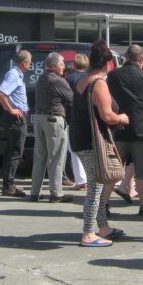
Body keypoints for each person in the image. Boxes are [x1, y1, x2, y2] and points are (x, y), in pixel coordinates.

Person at [70, 40, 129, 247]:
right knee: (95, 187)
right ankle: (88, 233)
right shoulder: (99, 83)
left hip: (79, 137)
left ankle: (103, 228)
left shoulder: (81, 80)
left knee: (98, 184)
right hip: (92, 140)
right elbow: (107, 115)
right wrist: (121, 118)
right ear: (107, 63)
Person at [107, 44, 143, 216]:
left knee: (114, 169)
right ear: (140, 59)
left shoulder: (113, 75)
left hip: (119, 127)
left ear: (126, 57)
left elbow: (109, 100)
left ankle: (104, 204)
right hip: (141, 129)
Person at [29, 52, 73, 203]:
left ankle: (34, 192)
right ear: (54, 66)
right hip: (54, 120)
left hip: (39, 119)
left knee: (39, 156)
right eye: (61, 64)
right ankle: (56, 193)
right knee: (56, 158)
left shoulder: (41, 78)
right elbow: (71, 99)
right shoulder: (59, 81)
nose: (64, 67)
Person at [0, 49, 32, 197]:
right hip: (16, 119)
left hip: (17, 118)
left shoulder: (17, 75)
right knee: (15, 153)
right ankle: (8, 186)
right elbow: (1, 93)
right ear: (23, 63)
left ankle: (9, 184)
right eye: (29, 62)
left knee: (14, 152)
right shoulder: (14, 75)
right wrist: (11, 110)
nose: (30, 65)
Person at [66, 53, 89, 190]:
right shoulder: (89, 78)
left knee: (74, 149)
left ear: (74, 64)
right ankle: (89, 177)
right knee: (88, 149)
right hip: (88, 118)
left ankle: (80, 180)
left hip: (72, 118)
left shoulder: (69, 79)